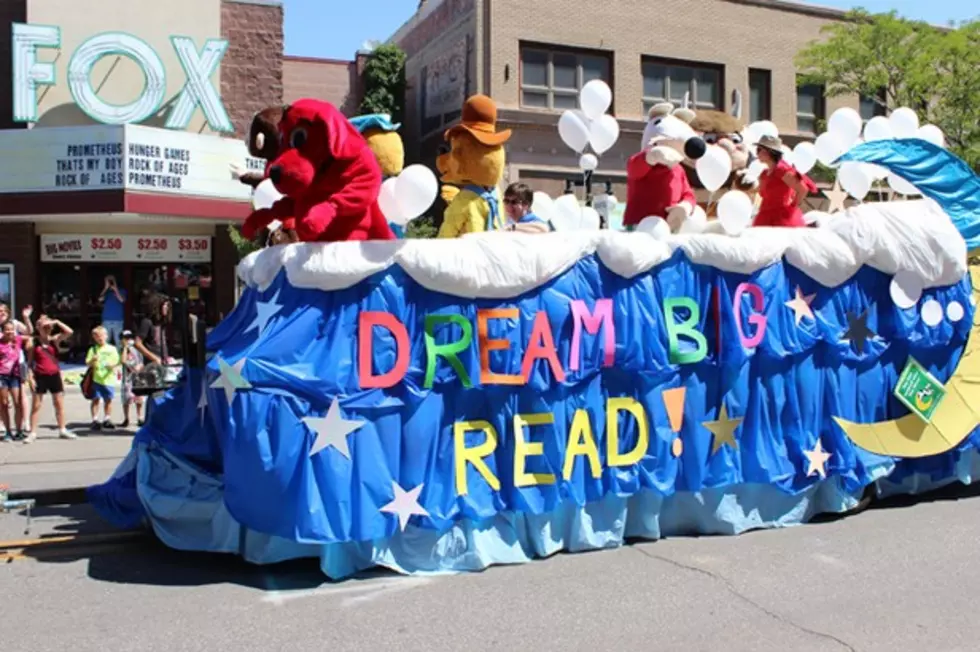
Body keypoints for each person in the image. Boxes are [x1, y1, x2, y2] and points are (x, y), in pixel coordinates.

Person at [25, 316, 75, 443]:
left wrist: (57, 321)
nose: (47, 329)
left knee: (59, 404)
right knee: (36, 405)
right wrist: (30, 377)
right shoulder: (33, 342)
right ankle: (33, 432)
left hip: (54, 374)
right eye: (44, 326)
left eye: (49, 327)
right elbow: (30, 362)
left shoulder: (54, 340)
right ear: (38, 327)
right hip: (40, 375)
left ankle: (62, 429)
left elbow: (69, 332)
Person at [752, 135, 817, 228]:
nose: (757, 153)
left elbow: (802, 189)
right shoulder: (764, 173)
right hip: (765, 215)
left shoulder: (781, 170)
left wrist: (792, 208)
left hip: (781, 218)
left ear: (769, 153)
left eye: (759, 150)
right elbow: (761, 192)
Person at [0, 303, 33, 433]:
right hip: (2, 368)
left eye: (3, 311)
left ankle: (25, 422)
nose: (1, 313)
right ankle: (3, 424)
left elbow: (29, 333)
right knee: (3, 400)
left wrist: (26, 317)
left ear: (8, 312)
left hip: (18, 364)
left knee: (20, 396)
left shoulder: (14, 323)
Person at [86, 326, 120, 431]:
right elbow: (87, 363)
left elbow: (116, 362)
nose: (100, 338)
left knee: (108, 400)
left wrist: (113, 366)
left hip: (108, 379)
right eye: (97, 336)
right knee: (95, 399)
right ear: (94, 338)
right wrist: (92, 360)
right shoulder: (93, 349)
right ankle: (95, 420)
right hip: (97, 378)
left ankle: (107, 419)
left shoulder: (112, 349)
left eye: (102, 335)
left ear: (106, 336)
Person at [0, 321, 27, 441]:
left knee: (18, 403)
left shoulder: (18, 340)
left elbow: (30, 334)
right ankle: (8, 431)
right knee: (4, 404)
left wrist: (26, 318)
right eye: (7, 329)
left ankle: (19, 430)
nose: (9, 332)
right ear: (2, 331)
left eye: (11, 329)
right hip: (2, 376)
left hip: (15, 375)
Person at [119, 330, 145, 428]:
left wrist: (140, 367)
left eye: (129, 338)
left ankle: (140, 417)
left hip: (137, 376)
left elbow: (142, 361)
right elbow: (123, 360)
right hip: (127, 377)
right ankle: (126, 418)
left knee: (139, 398)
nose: (127, 340)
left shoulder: (137, 348)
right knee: (126, 398)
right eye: (125, 338)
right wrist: (125, 347)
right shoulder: (123, 349)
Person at [136, 294, 171, 365]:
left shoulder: (161, 322)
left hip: (163, 362)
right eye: (164, 305)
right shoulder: (147, 322)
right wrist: (154, 358)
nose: (167, 308)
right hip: (152, 364)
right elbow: (137, 343)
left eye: (167, 305)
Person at [99, 275, 127, 345]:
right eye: (107, 281)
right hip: (106, 319)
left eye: (111, 280)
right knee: (105, 341)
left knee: (118, 342)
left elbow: (122, 300)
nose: (109, 282)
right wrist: (105, 288)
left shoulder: (122, 290)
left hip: (118, 320)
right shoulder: (106, 292)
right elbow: (100, 299)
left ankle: (119, 355)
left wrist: (115, 290)